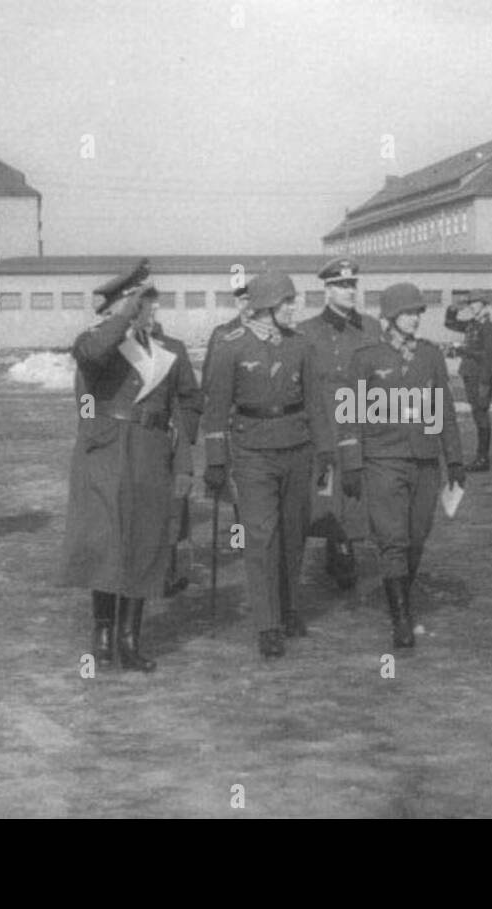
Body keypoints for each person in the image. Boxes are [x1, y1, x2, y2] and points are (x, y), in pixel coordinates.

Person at [61, 268, 200, 672]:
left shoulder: (168, 349)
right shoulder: (96, 341)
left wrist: (181, 451)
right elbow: (92, 356)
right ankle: (103, 631)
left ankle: (129, 638)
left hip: (151, 452)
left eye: (153, 301)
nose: (151, 308)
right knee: (107, 541)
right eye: (143, 301)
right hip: (105, 451)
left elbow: (189, 400)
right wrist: (123, 317)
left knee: (143, 543)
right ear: (124, 305)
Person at [200, 271, 334, 658]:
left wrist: (325, 450)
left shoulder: (301, 347)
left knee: (294, 533)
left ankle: (289, 606)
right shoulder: (231, 347)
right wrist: (215, 460)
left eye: (293, 302)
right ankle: (267, 623)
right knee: (260, 536)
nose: (294, 309)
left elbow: (316, 403)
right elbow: (215, 409)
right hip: (252, 451)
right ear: (266, 308)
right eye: (287, 303)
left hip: (298, 447)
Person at [338, 283, 464, 648]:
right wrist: (351, 462)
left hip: (425, 461)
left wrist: (454, 459)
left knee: (417, 535)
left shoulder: (430, 357)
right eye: (408, 313)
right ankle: (402, 619)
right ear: (390, 318)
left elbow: (444, 410)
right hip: (383, 459)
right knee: (392, 539)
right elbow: (350, 415)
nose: (414, 320)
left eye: (417, 313)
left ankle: (402, 598)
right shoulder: (367, 358)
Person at [297, 257, 379, 590]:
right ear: (327, 290)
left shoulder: (371, 327)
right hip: (325, 417)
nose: (349, 291)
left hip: (361, 413)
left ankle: (348, 541)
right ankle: (337, 542)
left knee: (358, 482)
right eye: (341, 286)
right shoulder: (307, 331)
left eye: (352, 285)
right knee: (327, 487)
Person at [444, 290, 492, 472]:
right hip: (470, 374)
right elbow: (450, 323)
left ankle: (483, 458)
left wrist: (485, 383)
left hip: (480, 376)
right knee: (477, 414)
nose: (472, 306)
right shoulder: (473, 323)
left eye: (475, 303)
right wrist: (453, 309)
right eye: (471, 303)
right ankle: (481, 456)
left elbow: (490, 356)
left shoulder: (488, 325)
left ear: (484, 304)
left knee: (481, 415)